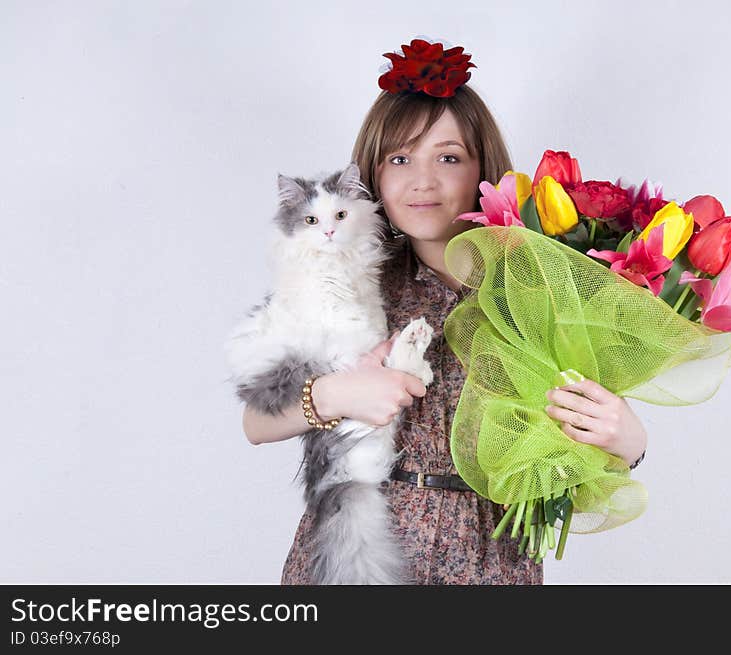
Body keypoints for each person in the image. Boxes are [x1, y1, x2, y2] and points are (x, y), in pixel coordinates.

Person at [242, 37, 648, 585]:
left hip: (490, 555)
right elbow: (256, 421)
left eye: (449, 157)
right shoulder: (342, 277)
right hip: (358, 550)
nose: (422, 180)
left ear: (484, 167)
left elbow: (573, 444)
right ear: (372, 175)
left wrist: (628, 442)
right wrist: (337, 394)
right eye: (400, 159)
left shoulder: (540, 287)